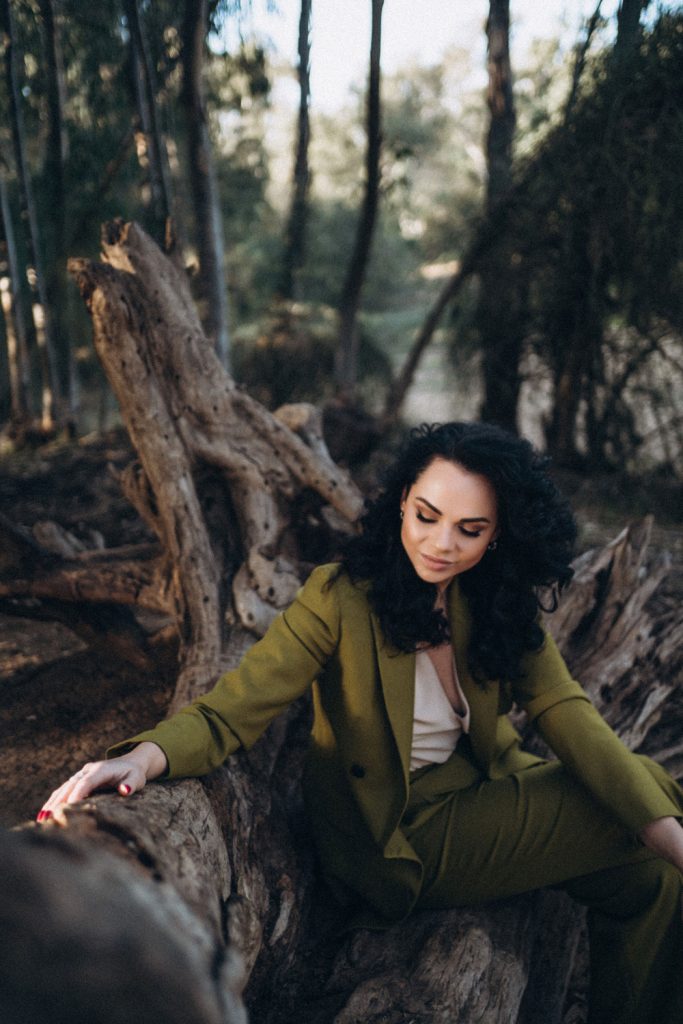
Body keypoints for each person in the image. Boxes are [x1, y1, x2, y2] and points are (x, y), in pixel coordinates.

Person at [39, 421, 683, 1024]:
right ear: (403, 502)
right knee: (641, 797)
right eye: (427, 516)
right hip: (395, 836)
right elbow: (233, 708)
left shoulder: (493, 600)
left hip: (475, 794)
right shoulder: (340, 598)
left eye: (469, 529)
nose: (441, 544)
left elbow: (568, 713)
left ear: (496, 535)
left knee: (649, 878)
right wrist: (142, 756)